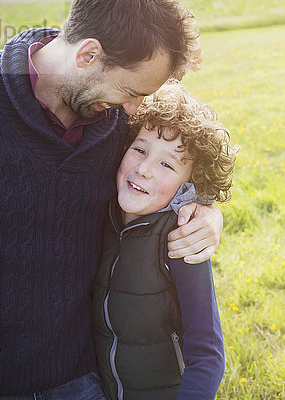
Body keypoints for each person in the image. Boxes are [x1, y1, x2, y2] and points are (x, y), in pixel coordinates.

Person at [0, 0, 224, 398]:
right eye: (130, 92)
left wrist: (206, 209)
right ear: (87, 54)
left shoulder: (118, 122)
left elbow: (173, 165)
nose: (135, 110)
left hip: (81, 382)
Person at [92, 80, 237, 400]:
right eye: (140, 149)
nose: (143, 169)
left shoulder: (181, 241)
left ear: (190, 187)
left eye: (167, 164)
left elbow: (208, 356)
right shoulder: (102, 218)